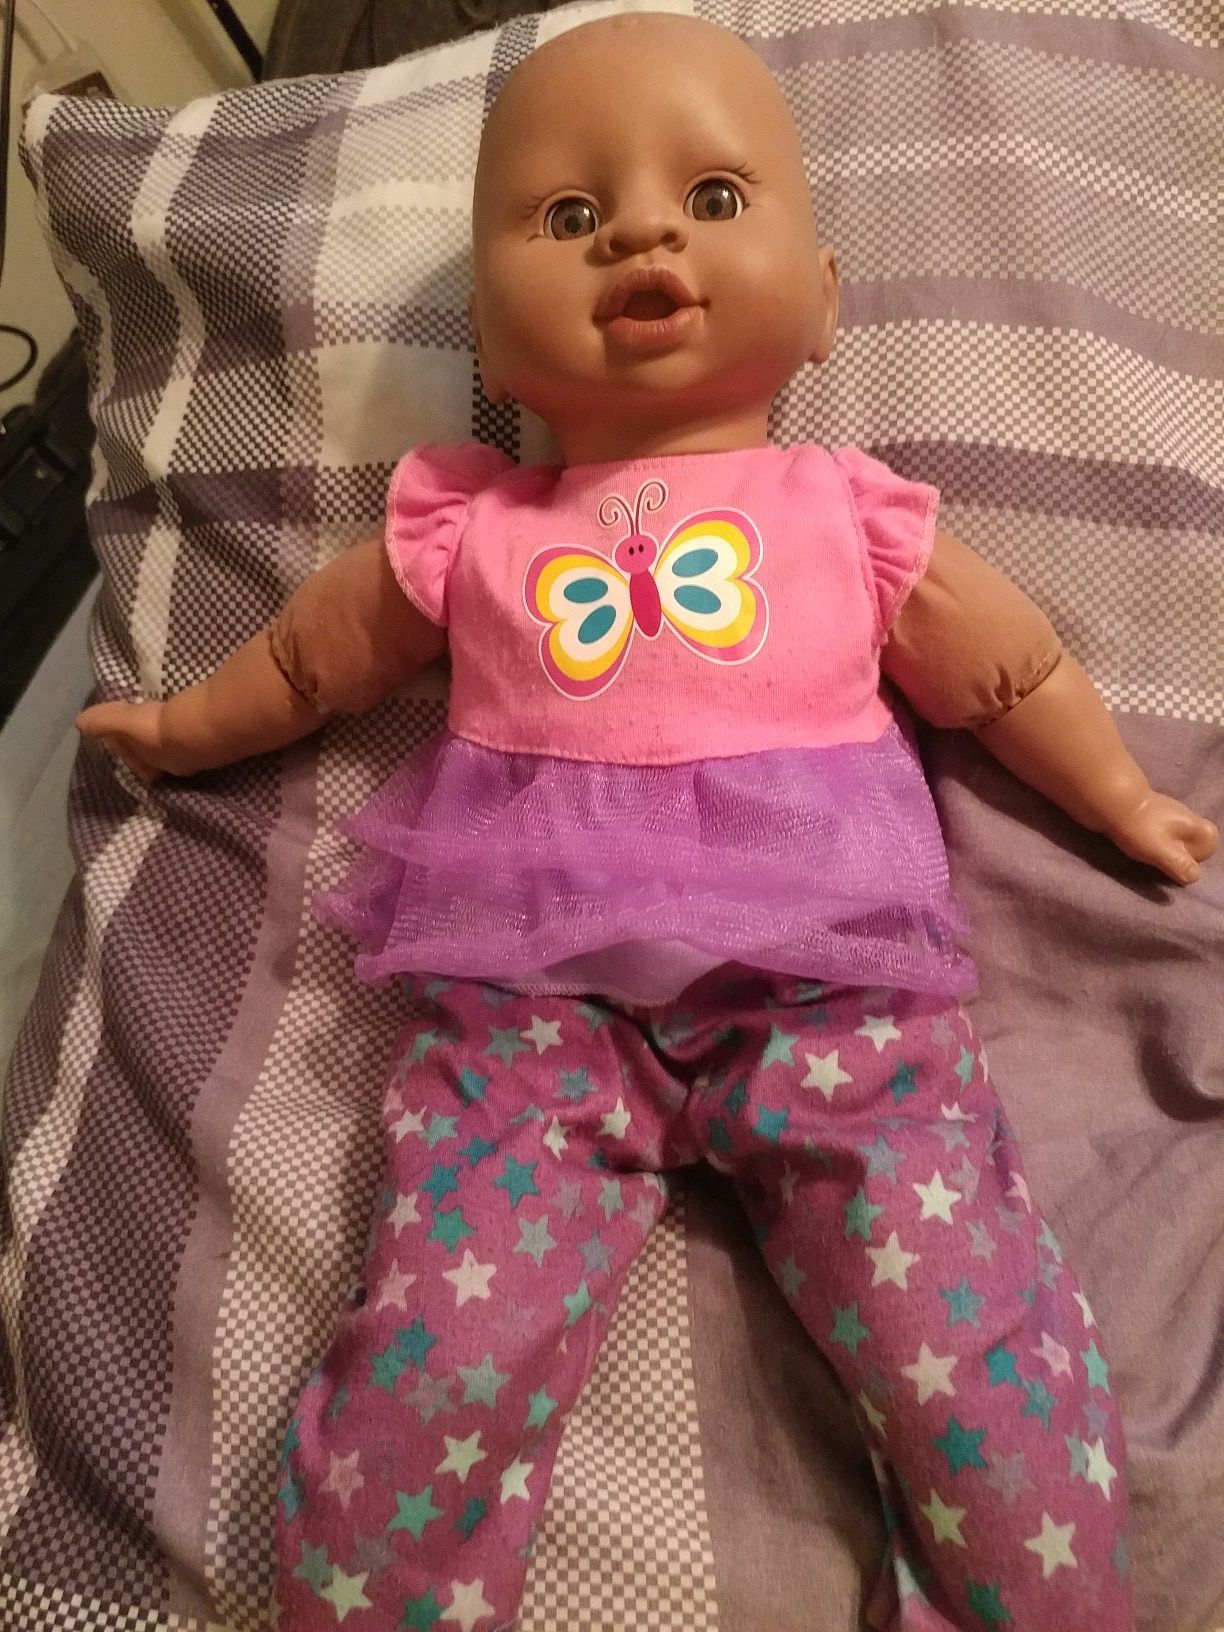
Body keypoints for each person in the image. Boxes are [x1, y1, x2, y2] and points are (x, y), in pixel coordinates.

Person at [78, 13, 1216, 1630]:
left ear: (822, 303)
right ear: (491, 338)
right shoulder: (466, 528)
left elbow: (1009, 670)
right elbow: (308, 661)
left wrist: (1121, 798)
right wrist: (187, 727)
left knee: (959, 1337)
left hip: (831, 989)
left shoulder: (849, 512)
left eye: (714, 197)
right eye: (568, 215)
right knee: (441, 1346)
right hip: (532, 1010)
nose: (639, 233)